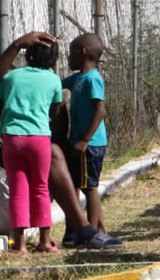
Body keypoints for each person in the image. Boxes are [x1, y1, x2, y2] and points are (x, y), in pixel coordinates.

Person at [0, 32, 123, 249]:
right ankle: (83, 229)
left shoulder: (12, 120)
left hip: (14, 207)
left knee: (53, 155)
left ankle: (69, 232)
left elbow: (56, 126)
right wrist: (16, 46)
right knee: (50, 154)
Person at [0, 41, 63, 253]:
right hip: (39, 137)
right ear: (54, 59)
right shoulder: (53, 79)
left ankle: (20, 244)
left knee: (18, 189)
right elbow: (56, 110)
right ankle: (44, 241)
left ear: (28, 54)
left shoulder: (12, 77)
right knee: (41, 187)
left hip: (13, 137)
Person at [62, 33, 110, 242]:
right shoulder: (78, 78)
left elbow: (100, 111)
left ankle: (91, 233)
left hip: (90, 144)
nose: (67, 58)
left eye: (70, 53)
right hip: (78, 141)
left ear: (82, 53)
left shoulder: (93, 79)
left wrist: (85, 140)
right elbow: (57, 83)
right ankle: (82, 229)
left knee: (90, 187)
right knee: (74, 184)